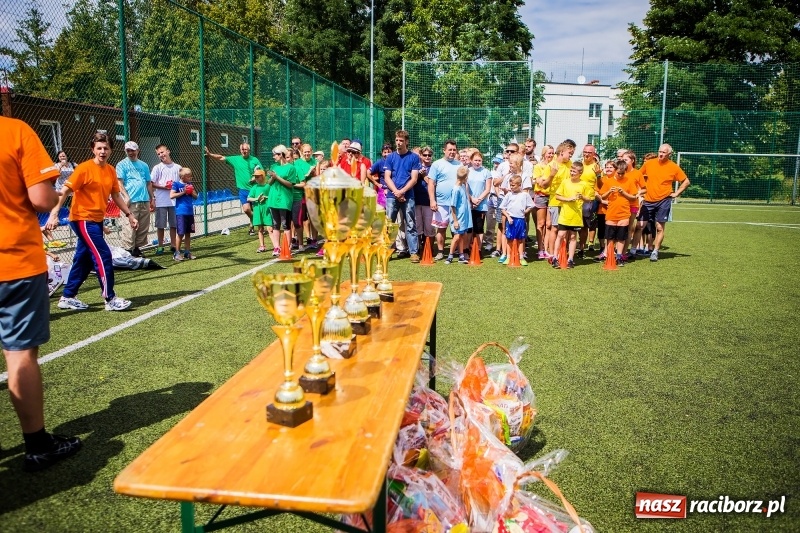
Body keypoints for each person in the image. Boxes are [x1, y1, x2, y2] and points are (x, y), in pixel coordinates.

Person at [1, 116, 82, 471]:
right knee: (20, 356)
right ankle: (36, 443)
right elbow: (40, 198)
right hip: (13, 260)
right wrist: (53, 189)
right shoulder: (15, 130)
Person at [46, 131, 136, 311]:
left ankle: (68, 296)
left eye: (106, 148)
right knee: (103, 255)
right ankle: (110, 299)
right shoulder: (84, 168)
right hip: (82, 219)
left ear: (111, 150)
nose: (103, 151)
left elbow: (116, 195)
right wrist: (53, 214)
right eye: (99, 148)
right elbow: (64, 191)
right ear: (93, 150)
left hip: (96, 220)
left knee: (84, 259)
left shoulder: (110, 170)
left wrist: (129, 214)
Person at [638, 143, 690, 262]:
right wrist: (639, 191)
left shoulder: (674, 167)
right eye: (660, 152)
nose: (660, 154)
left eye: (663, 152)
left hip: (664, 200)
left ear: (669, 154)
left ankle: (655, 251)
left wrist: (676, 193)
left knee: (659, 227)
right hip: (648, 200)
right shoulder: (649, 163)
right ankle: (635, 249)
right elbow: (638, 176)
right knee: (640, 225)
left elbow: (686, 181)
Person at [205, 142, 262, 235]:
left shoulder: (254, 160)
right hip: (243, 189)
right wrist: (210, 154)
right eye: (242, 150)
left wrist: (255, 177)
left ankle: (254, 227)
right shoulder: (235, 159)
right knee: (246, 209)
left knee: (256, 209)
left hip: (255, 188)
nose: (244, 151)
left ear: (249, 150)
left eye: (246, 149)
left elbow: (261, 171)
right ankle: (256, 220)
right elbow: (221, 157)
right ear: (240, 150)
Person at [384, 130, 421, 262]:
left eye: (401, 141)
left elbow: (414, 178)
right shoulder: (390, 157)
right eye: (397, 140)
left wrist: (402, 191)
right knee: (389, 225)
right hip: (391, 196)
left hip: (408, 196)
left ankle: (413, 253)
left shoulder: (414, 158)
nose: (398, 143)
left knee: (410, 223)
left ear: (406, 142)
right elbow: (387, 177)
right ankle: (385, 251)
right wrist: (396, 192)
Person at [552, 161, 595, 269]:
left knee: (572, 236)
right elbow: (557, 196)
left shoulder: (584, 184)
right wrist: (568, 199)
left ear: (580, 173)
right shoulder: (565, 182)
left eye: (574, 171)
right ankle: (555, 258)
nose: (571, 173)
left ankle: (570, 259)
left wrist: (582, 197)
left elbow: (590, 198)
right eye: (571, 170)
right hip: (565, 215)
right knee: (561, 235)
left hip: (576, 216)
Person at [597, 160, 640, 266]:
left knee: (621, 237)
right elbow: (602, 196)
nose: (620, 175)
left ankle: (619, 256)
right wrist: (609, 192)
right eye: (618, 173)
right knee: (610, 237)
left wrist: (624, 193)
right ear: (615, 170)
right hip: (611, 213)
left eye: (622, 173)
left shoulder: (629, 181)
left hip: (624, 213)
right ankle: (610, 255)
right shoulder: (608, 181)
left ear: (626, 171)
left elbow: (633, 197)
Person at [116, 141, 155, 257]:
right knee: (129, 227)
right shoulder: (121, 165)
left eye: (133, 150)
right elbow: (119, 183)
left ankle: (136, 248)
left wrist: (152, 198)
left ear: (138, 151)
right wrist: (126, 196)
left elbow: (148, 183)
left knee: (143, 226)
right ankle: (128, 251)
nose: (131, 153)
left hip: (144, 200)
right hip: (131, 201)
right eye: (128, 150)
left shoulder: (144, 165)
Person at [427, 140, 460, 260]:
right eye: (449, 149)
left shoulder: (459, 165)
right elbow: (431, 184)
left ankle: (456, 251)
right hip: (441, 203)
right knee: (441, 228)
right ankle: (441, 252)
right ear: (444, 150)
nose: (452, 152)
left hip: (457, 204)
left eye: (454, 150)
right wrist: (432, 200)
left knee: (457, 228)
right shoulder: (436, 164)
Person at [266, 145, 299, 257]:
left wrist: (277, 177)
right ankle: (276, 247)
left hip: (284, 200)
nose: (273, 157)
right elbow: (269, 183)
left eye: (275, 154)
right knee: (275, 225)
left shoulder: (291, 168)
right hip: (273, 200)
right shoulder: (274, 166)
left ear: (281, 155)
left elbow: (290, 184)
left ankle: (287, 247)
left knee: (285, 225)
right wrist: (272, 177)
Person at [545, 142, 574, 261]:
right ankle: (552, 254)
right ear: (562, 152)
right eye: (570, 153)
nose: (571, 155)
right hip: (556, 202)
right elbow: (544, 185)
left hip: (568, 202)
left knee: (566, 230)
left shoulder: (570, 164)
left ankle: (563, 252)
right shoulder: (552, 165)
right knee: (555, 228)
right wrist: (551, 175)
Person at [150, 144, 180, 255]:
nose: (161, 155)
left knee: (174, 224)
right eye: (158, 154)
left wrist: (175, 187)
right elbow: (151, 184)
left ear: (168, 151)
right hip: (161, 201)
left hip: (174, 201)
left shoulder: (177, 167)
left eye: (162, 152)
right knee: (160, 225)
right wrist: (164, 187)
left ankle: (173, 245)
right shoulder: (157, 168)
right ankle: (160, 246)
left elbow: (181, 183)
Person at [499, 175, 534, 266]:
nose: (511, 187)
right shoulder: (508, 195)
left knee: (521, 239)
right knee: (509, 239)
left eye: (513, 185)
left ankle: (521, 257)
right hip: (511, 220)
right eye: (510, 185)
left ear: (519, 185)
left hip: (521, 220)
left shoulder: (525, 195)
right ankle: (508, 257)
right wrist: (508, 217)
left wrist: (525, 211)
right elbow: (502, 208)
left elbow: (531, 205)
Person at [577, 144, 602, 258]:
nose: (587, 154)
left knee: (587, 225)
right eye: (585, 152)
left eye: (589, 152)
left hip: (590, 200)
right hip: (576, 199)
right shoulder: (578, 165)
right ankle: (579, 247)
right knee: (577, 225)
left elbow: (601, 185)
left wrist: (598, 175)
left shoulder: (596, 167)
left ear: (594, 154)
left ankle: (586, 246)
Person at [170, 167, 199, 261]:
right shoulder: (176, 184)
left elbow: (196, 197)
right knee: (180, 233)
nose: (190, 178)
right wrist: (184, 192)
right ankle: (177, 253)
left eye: (191, 176)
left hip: (189, 212)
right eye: (189, 176)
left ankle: (187, 252)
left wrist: (191, 192)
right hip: (181, 212)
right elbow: (172, 195)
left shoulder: (190, 184)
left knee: (188, 233)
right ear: (183, 177)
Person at [444, 167, 472, 264]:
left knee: (462, 235)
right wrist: (455, 221)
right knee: (456, 236)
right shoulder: (456, 189)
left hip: (464, 217)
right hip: (458, 218)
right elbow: (453, 206)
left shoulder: (463, 186)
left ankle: (461, 255)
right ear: (466, 177)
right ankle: (450, 256)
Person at [467, 151, 492, 255]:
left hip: (481, 205)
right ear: (471, 161)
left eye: (479, 160)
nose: (477, 162)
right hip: (469, 204)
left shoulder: (486, 172)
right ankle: (467, 249)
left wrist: (478, 200)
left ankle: (478, 250)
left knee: (479, 228)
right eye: (475, 160)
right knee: (469, 228)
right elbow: (465, 187)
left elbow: (487, 189)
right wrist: (471, 199)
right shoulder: (467, 171)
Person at [532, 145, 554, 259]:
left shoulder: (555, 166)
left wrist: (545, 179)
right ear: (544, 154)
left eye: (552, 153)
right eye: (549, 153)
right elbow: (539, 182)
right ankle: (540, 249)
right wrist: (546, 179)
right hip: (541, 196)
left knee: (549, 224)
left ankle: (548, 248)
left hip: (552, 196)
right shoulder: (538, 166)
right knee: (540, 224)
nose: (550, 155)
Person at [247, 167, 275, 253]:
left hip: (266, 210)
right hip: (257, 210)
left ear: (263, 176)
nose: (256, 178)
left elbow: (272, 196)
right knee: (260, 229)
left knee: (270, 229)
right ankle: (262, 246)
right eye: (255, 177)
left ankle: (276, 246)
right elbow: (249, 198)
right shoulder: (254, 187)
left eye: (257, 176)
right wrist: (256, 199)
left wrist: (265, 197)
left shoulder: (268, 186)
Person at [414, 146, 435, 254]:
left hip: (428, 202)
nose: (427, 157)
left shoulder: (434, 168)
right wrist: (418, 175)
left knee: (429, 228)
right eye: (425, 155)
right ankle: (417, 249)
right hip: (416, 201)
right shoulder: (416, 166)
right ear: (421, 156)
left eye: (429, 155)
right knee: (417, 227)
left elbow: (434, 185)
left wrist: (425, 176)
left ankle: (429, 250)